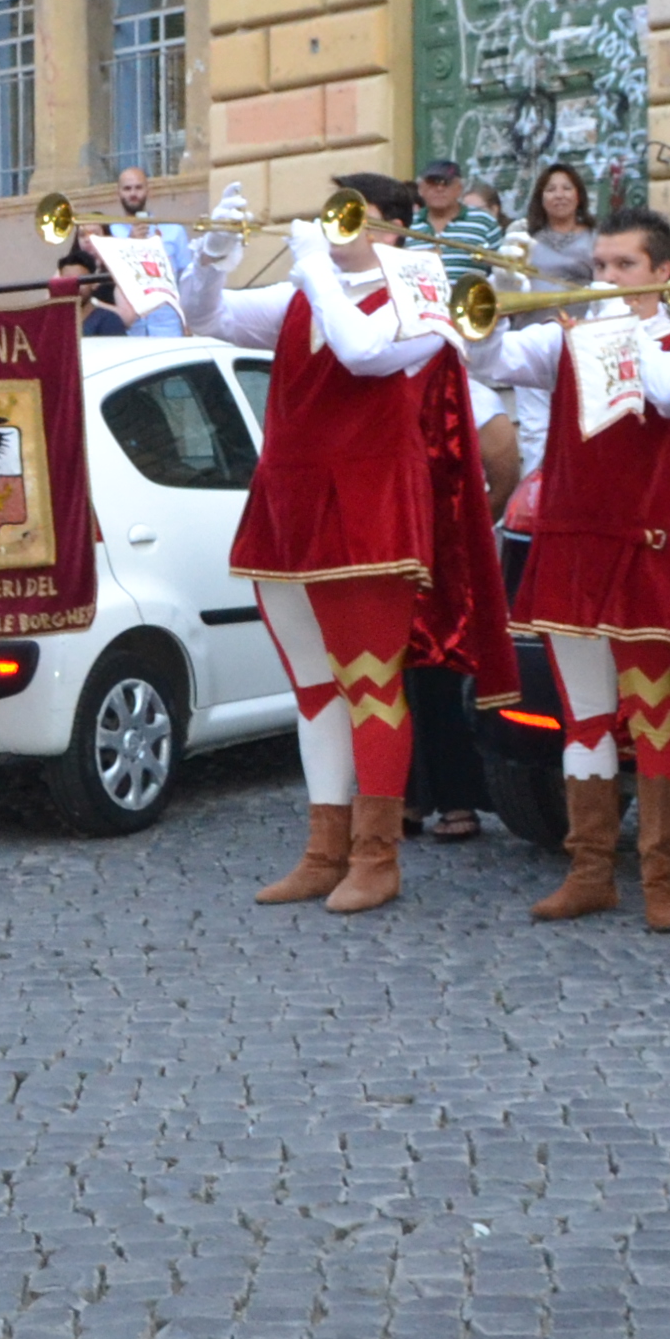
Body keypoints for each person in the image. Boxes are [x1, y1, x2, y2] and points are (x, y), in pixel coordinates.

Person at [176, 176, 512, 915]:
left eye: (350, 216)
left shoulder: (425, 302)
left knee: (370, 684)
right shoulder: (308, 293)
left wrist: (317, 271)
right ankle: (323, 851)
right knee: (314, 691)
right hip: (289, 504)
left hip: (368, 511)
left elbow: (365, 353)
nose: (332, 226)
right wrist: (213, 255)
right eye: (332, 213)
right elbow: (206, 317)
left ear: (392, 230)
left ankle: (376, 856)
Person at [470, 208, 670, 930]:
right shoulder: (566, 339)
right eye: (599, 266)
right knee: (584, 719)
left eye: (624, 266)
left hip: (646, 548)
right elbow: (488, 362)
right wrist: (497, 296)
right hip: (572, 544)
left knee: (656, 715)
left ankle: (665, 878)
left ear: (662, 272)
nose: (607, 278)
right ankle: (590, 868)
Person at [414, 158, 509, 288]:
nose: (439, 188)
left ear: (459, 189)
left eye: (446, 183)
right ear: (421, 189)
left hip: (471, 303)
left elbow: (501, 270)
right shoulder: (408, 222)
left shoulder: (484, 221)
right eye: (432, 183)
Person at [515, 160, 602, 286]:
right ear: (541, 198)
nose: (559, 195)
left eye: (567, 188)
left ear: (578, 196)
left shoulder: (595, 238)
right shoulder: (526, 238)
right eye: (551, 190)